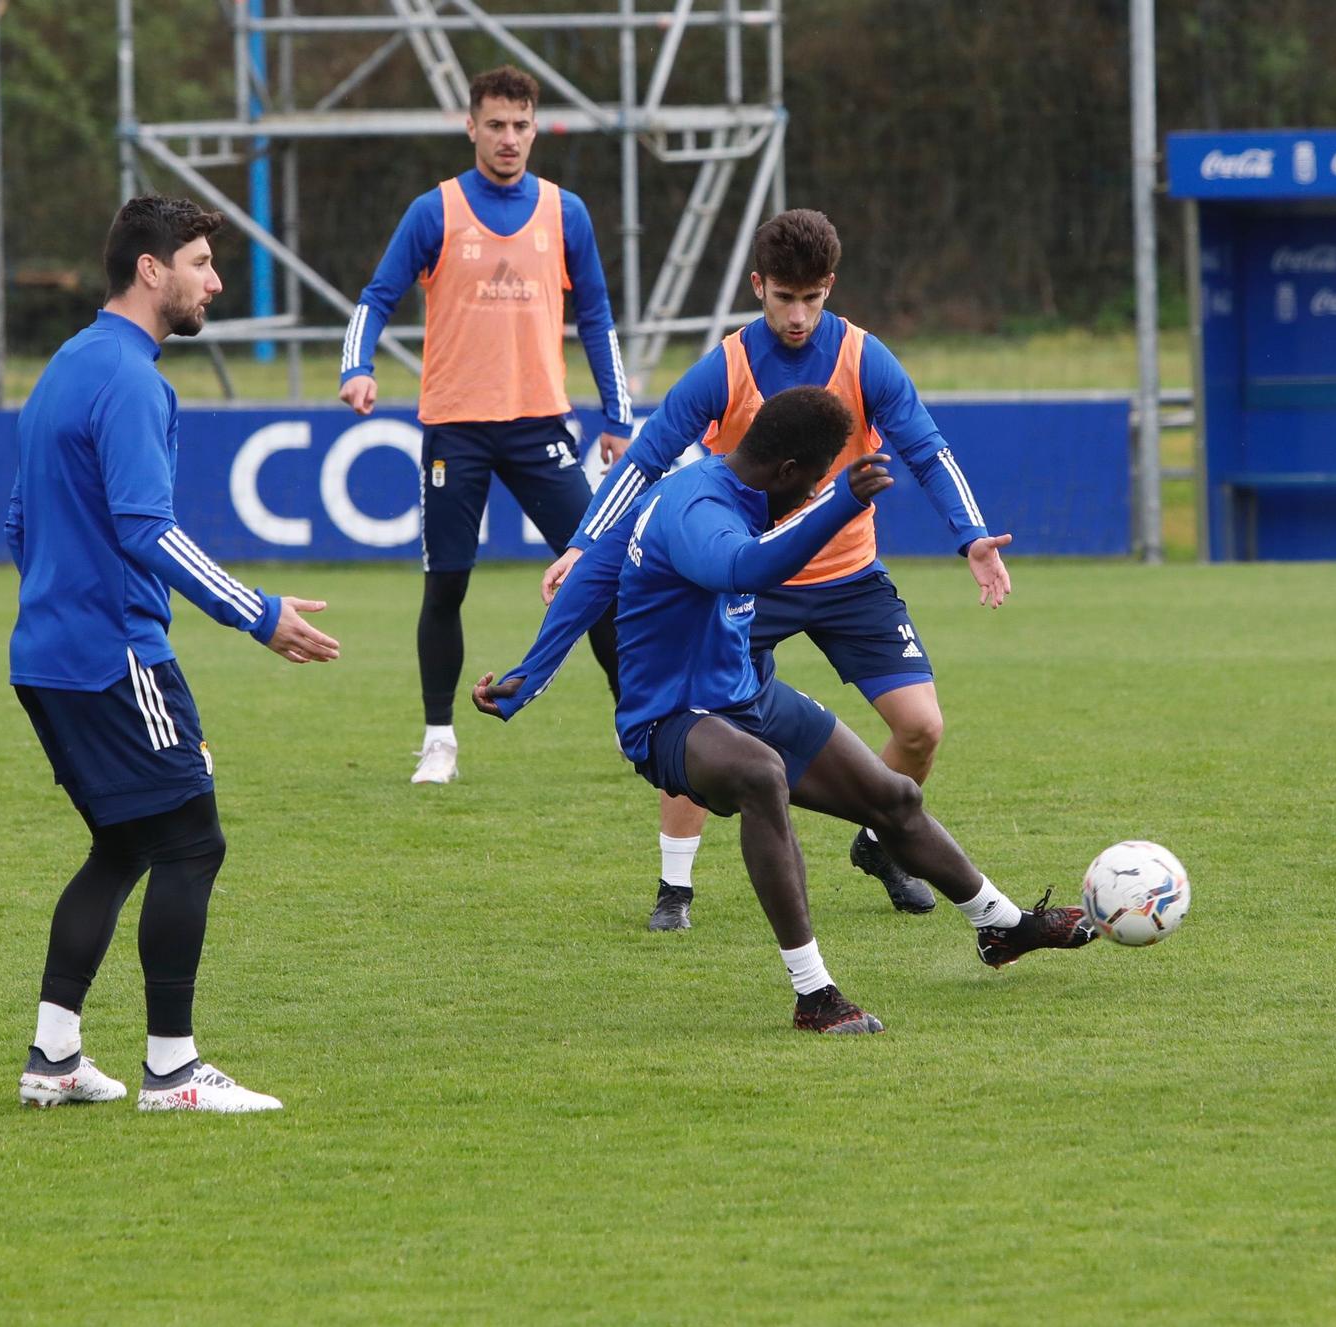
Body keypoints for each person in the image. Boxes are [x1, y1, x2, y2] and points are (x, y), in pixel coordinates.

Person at [474, 386, 1089, 1032]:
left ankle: (1004, 927)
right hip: (670, 718)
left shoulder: (714, 489)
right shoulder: (698, 511)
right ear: (788, 472)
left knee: (895, 798)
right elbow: (742, 568)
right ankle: (813, 994)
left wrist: (528, 672)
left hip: (747, 695)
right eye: (811, 484)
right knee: (760, 774)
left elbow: (597, 566)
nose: (809, 496)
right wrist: (839, 504)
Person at [543, 209, 1011, 931]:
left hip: (849, 577)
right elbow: (646, 458)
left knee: (921, 727)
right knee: (701, 719)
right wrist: (583, 541)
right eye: (783, 298)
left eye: (812, 298)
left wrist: (972, 536)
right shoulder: (725, 367)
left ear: (829, 287)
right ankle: (676, 886)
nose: (798, 316)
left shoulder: (864, 357)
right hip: (744, 583)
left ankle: (882, 842)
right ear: (758, 286)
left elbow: (926, 446)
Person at [7, 196, 340, 1113]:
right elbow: (148, 527)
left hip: (45, 652)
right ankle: (173, 1069)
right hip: (114, 655)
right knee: (192, 839)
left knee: (123, 843)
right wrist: (258, 611)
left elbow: (18, 519)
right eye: (199, 260)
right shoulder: (132, 380)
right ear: (151, 270)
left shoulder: (67, 366)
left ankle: (56, 1054)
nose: (214, 281)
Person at [338, 64, 633, 785]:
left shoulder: (566, 213)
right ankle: (440, 739)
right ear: (470, 126)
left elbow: (596, 315)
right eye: (495, 124)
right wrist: (358, 366)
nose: (508, 138)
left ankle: (641, 724)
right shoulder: (434, 211)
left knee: (596, 573)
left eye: (520, 125)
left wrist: (618, 415)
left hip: (541, 425)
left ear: (537, 128)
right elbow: (376, 296)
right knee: (446, 586)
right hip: (457, 428)